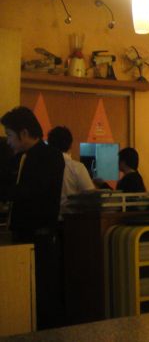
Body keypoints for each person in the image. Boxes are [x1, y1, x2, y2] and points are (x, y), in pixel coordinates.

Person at [0, 106, 65, 329]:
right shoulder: (20, 158)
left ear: (24, 133)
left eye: (10, 135)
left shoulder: (50, 157)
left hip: (41, 239)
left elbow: (32, 190)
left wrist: (7, 192)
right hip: (21, 236)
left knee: (42, 297)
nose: (8, 141)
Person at [47, 126, 95, 216]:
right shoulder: (77, 167)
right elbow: (90, 196)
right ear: (70, 145)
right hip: (71, 219)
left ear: (49, 145)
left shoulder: (43, 166)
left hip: (46, 219)